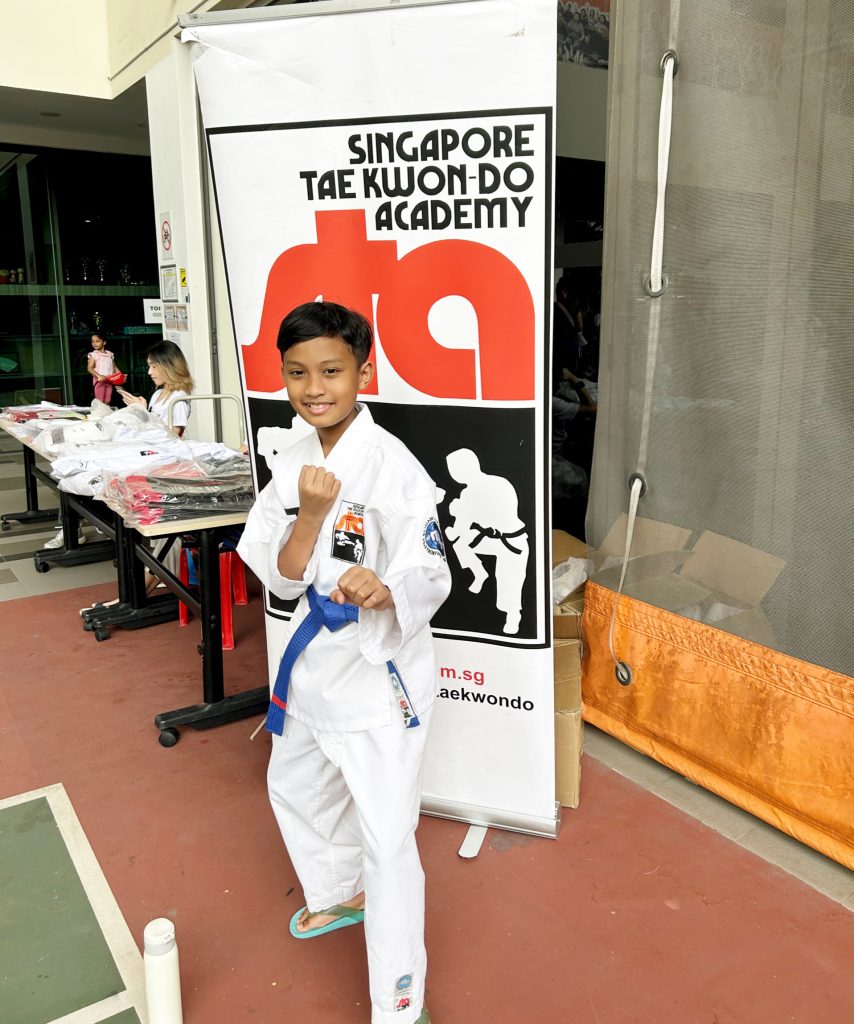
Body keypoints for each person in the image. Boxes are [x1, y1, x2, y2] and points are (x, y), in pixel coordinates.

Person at [238, 301, 450, 1024]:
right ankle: (338, 895)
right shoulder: (291, 460)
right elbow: (283, 575)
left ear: (365, 372)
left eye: (330, 371)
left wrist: (386, 587)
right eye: (297, 373)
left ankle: (400, 999)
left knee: (388, 838)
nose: (313, 387)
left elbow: (433, 569)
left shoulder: (395, 469)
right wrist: (307, 516)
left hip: (376, 671)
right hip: (311, 668)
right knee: (293, 783)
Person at [117, 340, 194, 437]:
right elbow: (150, 428)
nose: (149, 372)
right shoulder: (158, 394)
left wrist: (143, 410)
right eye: (149, 366)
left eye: (154, 366)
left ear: (169, 367)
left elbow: (173, 437)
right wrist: (138, 410)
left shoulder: (178, 399)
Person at [87, 333, 120, 405]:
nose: (94, 343)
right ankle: (100, 415)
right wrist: (98, 375)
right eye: (93, 341)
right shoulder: (94, 354)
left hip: (109, 381)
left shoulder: (110, 354)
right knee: (100, 401)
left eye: (97, 341)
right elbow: (89, 368)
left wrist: (120, 375)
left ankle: (106, 415)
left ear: (104, 342)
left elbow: (114, 366)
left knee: (108, 400)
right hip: (99, 381)